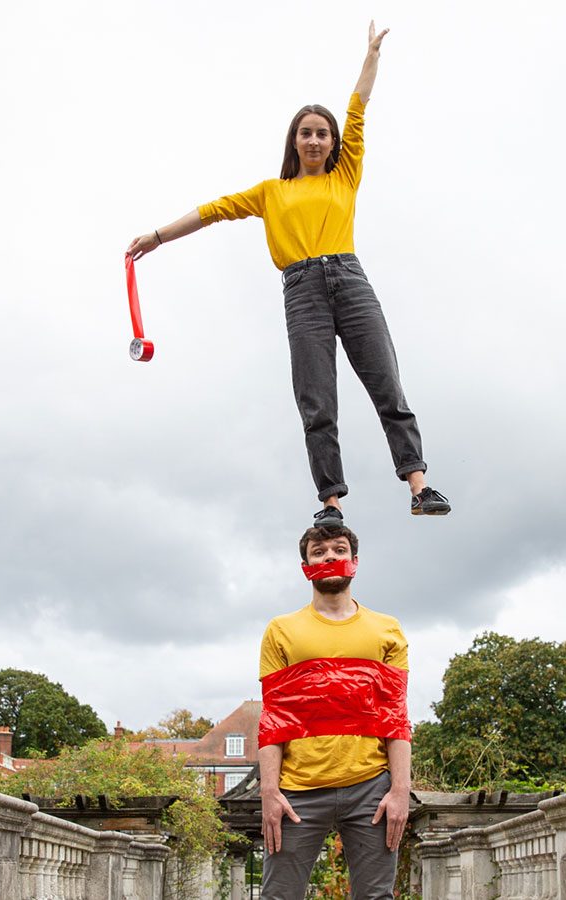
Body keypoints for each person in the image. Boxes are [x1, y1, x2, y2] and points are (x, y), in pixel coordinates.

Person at [126, 23, 451, 525]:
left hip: (350, 281)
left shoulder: (346, 174)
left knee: (386, 382)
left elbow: (359, 106)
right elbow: (211, 211)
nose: (316, 139)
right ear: (295, 142)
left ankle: (419, 485)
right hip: (302, 294)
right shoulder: (269, 192)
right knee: (316, 400)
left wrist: (371, 56)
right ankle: (331, 504)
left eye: (323, 133)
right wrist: (158, 235)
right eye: (307, 133)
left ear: (332, 142)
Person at [255, 522, 412, 899]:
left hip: (370, 787)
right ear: (306, 566)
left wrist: (401, 789)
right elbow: (274, 717)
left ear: (354, 561)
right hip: (297, 791)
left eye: (339, 550)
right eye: (319, 552)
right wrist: (269, 792)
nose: (330, 557)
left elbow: (395, 714)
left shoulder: (386, 630)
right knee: (279, 896)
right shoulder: (282, 630)